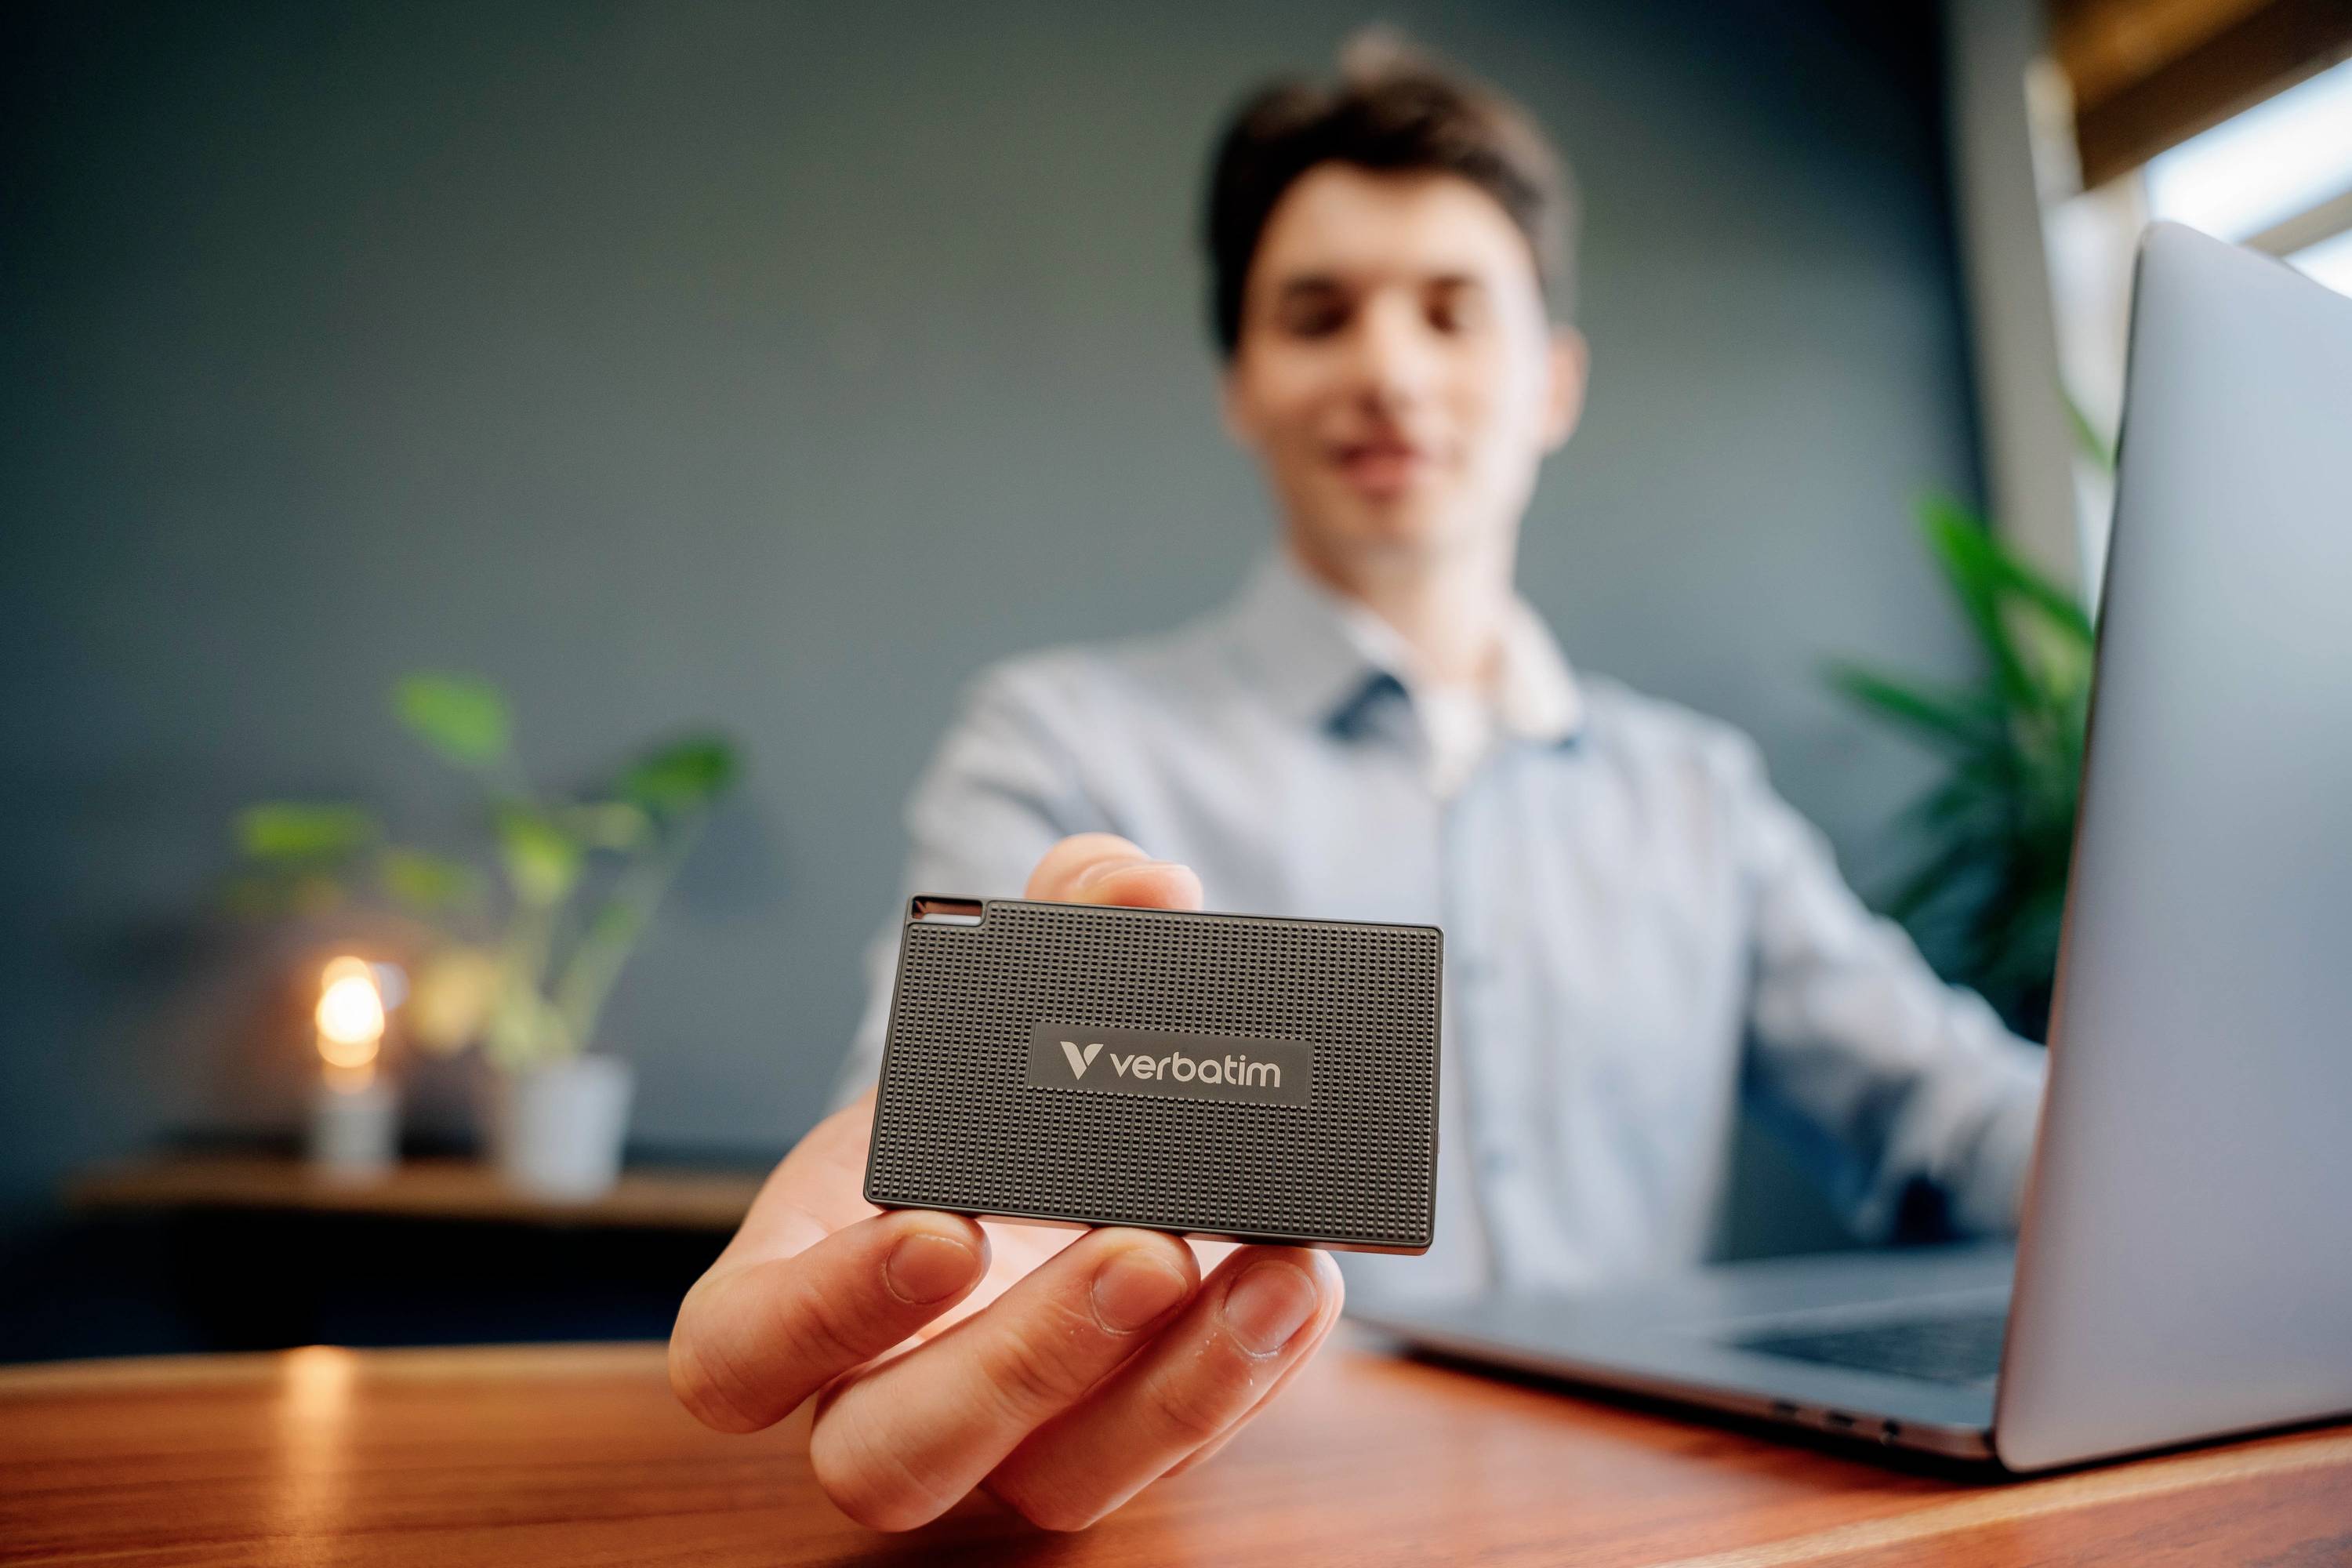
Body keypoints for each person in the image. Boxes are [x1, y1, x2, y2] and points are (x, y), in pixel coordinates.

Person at [670, 36, 2046, 1533]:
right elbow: (922, 1127)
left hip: (1646, 1532)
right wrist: (942, 1254)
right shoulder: (1060, 743)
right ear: (1240, 383)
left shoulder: (1700, 796)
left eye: (1454, 312)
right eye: (1318, 315)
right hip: (1233, 1527)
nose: (1389, 368)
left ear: (1554, 381)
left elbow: (1959, 1115)